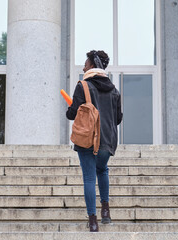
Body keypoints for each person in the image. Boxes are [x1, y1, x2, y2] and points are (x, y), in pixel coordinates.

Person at [66, 50, 123, 232]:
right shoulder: (114, 90)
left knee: (89, 177)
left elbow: (72, 114)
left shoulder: (83, 86)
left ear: (91, 66)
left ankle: (93, 221)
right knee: (102, 169)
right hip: (107, 139)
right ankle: (105, 211)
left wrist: (71, 107)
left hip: (88, 139)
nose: (83, 67)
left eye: (85, 63)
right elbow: (118, 118)